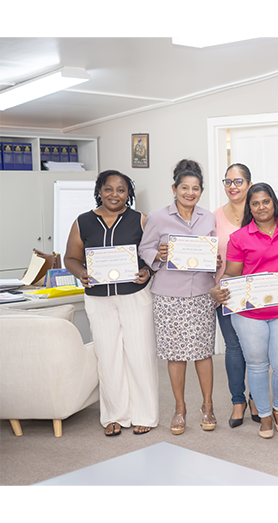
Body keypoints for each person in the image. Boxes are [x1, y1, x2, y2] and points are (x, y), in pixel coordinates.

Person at [63, 170, 159, 436]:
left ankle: (145, 414)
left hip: (135, 295)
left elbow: (154, 255)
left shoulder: (141, 220)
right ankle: (114, 415)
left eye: (121, 190)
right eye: (108, 189)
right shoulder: (82, 222)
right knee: (108, 357)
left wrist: (148, 271)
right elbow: (70, 258)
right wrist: (80, 272)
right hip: (98, 299)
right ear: (99, 190)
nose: (114, 194)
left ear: (129, 193)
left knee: (140, 355)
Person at [212, 183, 278, 439]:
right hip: (248, 312)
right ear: (249, 208)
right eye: (255, 203)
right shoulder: (239, 237)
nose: (261, 207)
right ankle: (264, 415)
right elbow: (231, 272)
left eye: (266, 201)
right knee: (257, 364)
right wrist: (215, 290)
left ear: (274, 203)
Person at [139, 159, 218, 436]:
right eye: (184, 187)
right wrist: (156, 256)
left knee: (202, 352)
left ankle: (207, 406)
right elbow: (144, 248)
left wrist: (216, 259)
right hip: (168, 295)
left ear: (201, 191)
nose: (190, 193)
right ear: (175, 188)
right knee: (175, 354)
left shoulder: (209, 218)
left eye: (196, 188)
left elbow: (213, 254)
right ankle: (180, 408)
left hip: (200, 294)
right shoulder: (157, 217)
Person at [213, 163, 259, 428]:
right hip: (227, 291)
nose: (233, 186)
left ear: (249, 184)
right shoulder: (214, 216)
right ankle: (238, 401)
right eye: (228, 182)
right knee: (233, 348)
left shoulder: (260, 211)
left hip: (255, 292)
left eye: (238, 181)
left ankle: (256, 398)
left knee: (256, 350)